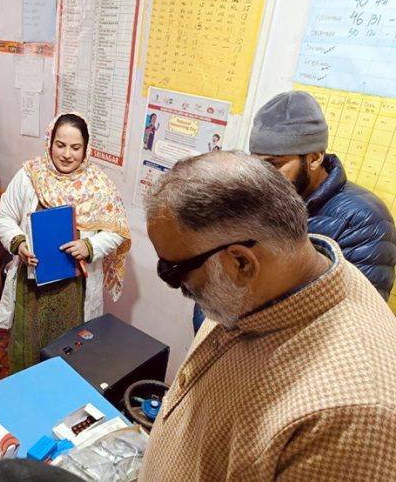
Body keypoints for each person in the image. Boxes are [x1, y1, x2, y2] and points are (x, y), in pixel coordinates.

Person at [141, 150, 396, 480]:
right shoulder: (256, 290)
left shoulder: (351, 418)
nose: (180, 287)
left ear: (242, 263)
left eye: (175, 271)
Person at [192, 90, 396, 334]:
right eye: (257, 165)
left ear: (314, 158)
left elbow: (353, 324)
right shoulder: (256, 197)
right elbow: (217, 277)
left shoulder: (364, 221)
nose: (263, 177)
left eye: (274, 165)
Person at [0, 112, 131, 373]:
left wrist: (89, 247)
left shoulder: (99, 185)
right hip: (32, 283)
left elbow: (117, 231)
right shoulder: (30, 175)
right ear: (50, 143)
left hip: (74, 287)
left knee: (70, 351)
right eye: (60, 145)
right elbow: (2, 215)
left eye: (75, 147)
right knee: (28, 348)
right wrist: (18, 242)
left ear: (86, 149)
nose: (67, 154)